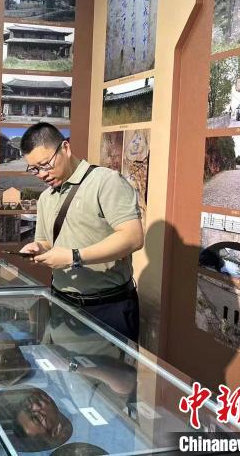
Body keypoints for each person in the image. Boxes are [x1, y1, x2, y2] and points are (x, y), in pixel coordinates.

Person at [18, 122, 144, 342]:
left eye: (45, 164)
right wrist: (38, 248)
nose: (42, 174)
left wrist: (74, 257)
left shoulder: (105, 181)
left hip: (107, 308)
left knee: (109, 365)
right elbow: (47, 242)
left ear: (65, 148)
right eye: (34, 169)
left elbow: (133, 237)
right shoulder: (46, 197)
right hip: (62, 306)